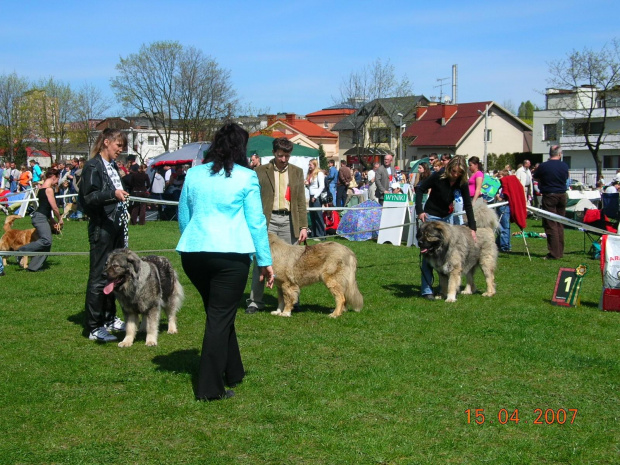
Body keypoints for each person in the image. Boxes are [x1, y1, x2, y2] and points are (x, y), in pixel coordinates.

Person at [177, 123, 274, 401]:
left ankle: (235, 370)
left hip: (194, 254)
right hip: (230, 256)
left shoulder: (194, 174)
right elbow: (256, 221)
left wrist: (193, 241)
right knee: (219, 317)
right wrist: (265, 260)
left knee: (219, 312)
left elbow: (185, 215)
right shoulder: (246, 177)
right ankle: (209, 389)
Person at [246, 137, 308, 314]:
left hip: (290, 221)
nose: (283, 159)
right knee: (260, 261)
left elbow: (301, 201)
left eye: (287, 156)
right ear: (274, 153)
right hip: (268, 221)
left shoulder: (297, 172)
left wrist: (303, 226)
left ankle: (292, 302)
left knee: (292, 264)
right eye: (280, 155)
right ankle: (255, 302)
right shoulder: (259, 171)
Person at [79, 128, 130, 343]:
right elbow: (88, 197)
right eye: (118, 145)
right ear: (106, 142)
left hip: (116, 227)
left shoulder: (113, 166)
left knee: (114, 275)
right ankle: (93, 326)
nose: (121, 149)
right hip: (102, 229)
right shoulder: (93, 166)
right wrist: (113, 194)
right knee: (99, 276)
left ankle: (109, 318)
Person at [415, 156, 477, 299]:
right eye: (454, 171)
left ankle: (445, 288)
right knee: (428, 254)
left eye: (459, 173)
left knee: (448, 254)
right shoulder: (438, 176)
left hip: (447, 219)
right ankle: (426, 290)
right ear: (450, 169)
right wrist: (420, 211)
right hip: (431, 216)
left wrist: (473, 228)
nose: (455, 175)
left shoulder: (462, 182)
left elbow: (468, 205)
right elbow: (420, 189)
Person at [17, 168, 63, 271]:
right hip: (40, 218)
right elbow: (54, 207)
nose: (57, 182)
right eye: (57, 179)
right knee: (46, 240)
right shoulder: (49, 190)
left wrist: (52, 220)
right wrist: (60, 219)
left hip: (41, 216)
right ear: (53, 177)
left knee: (47, 244)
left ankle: (33, 267)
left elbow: (45, 207)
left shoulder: (41, 189)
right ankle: (21, 250)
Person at [533, 145, 569, 260]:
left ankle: (554, 253)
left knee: (551, 224)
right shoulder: (564, 165)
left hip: (549, 195)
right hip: (562, 195)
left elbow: (536, 177)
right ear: (559, 154)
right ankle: (560, 251)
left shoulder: (544, 166)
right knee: (560, 223)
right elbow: (566, 177)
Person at [305, 158, 326, 240]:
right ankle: (314, 234)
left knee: (318, 215)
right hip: (311, 196)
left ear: (315, 165)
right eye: (309, 164)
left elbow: (321, 186)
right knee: (312, 215)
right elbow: (310, 187)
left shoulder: (319, 173)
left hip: (316, 197)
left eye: (310, 164)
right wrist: (307, 184)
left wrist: (315, 196)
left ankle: (321, 235)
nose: (309, 166)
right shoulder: (310, 174)